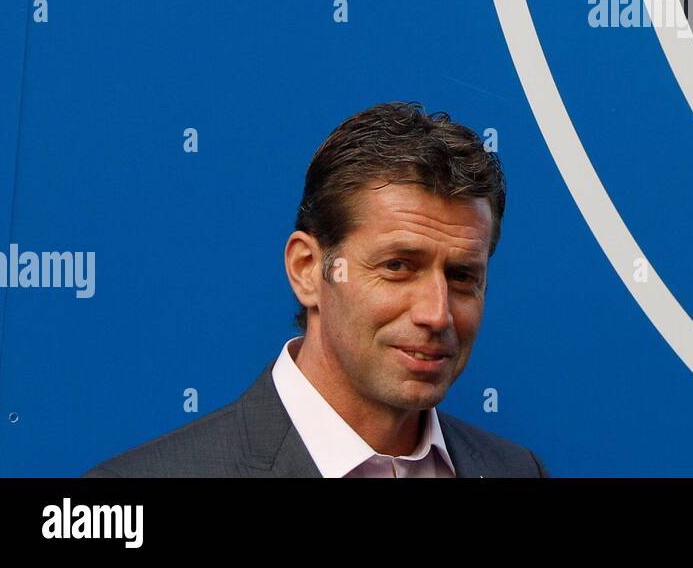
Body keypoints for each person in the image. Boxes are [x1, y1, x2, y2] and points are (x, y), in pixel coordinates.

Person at [83, 102, 547, 478]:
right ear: (308, 269)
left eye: (462, 276)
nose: (437, 314)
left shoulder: (516, 470)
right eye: (398, 266)